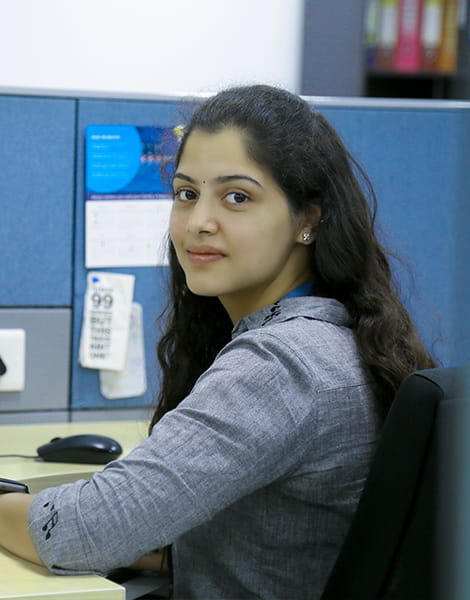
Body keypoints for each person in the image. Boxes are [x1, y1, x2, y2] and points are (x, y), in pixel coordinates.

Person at [0, 84, 435, 599]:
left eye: (237, 197)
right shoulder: (335, 337)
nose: (198, 223)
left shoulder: (281, 365)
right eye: (186, 194)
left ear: (308, 219)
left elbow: (84, 530)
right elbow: (254, 542)